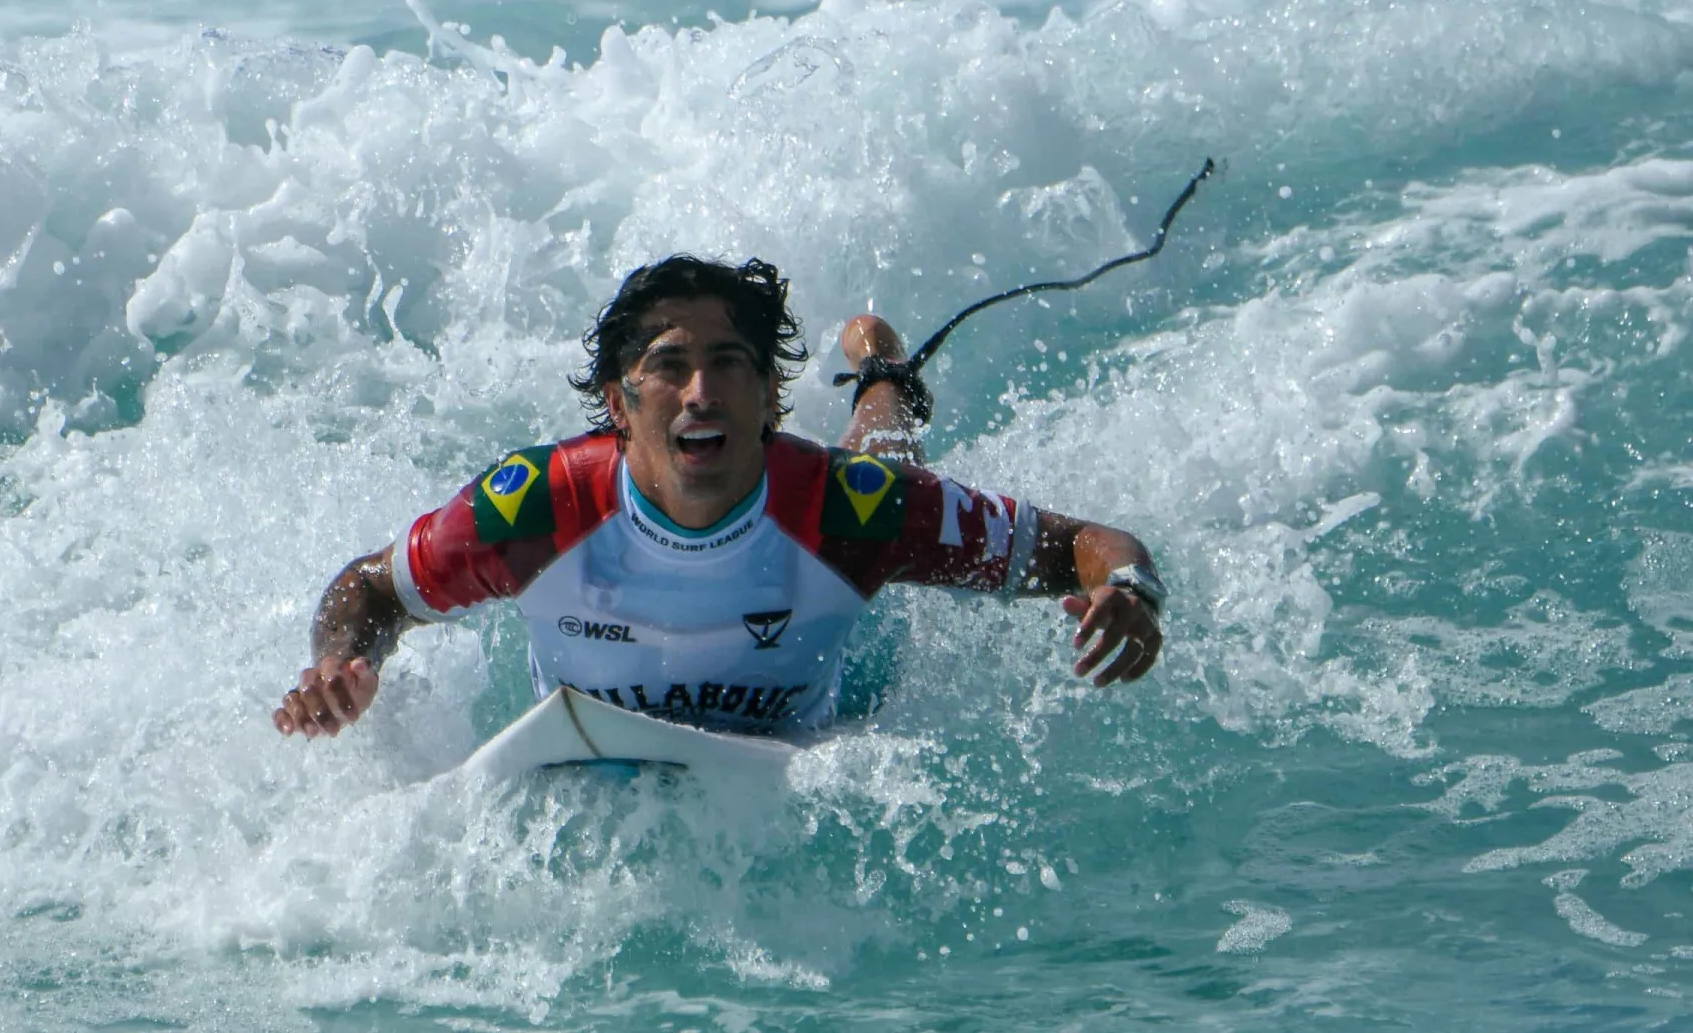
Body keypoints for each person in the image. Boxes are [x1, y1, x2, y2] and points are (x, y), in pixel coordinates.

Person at [274, 256, 1167, 739]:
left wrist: (1127, 593)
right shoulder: (537, 513)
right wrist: (341, 666)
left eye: (729, 364)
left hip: (826, 707)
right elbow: (376, 590)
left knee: (882, 458)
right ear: (619, 406)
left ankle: (880, 370)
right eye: (668, 366)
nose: (701, 392)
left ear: (771, 398)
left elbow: (1088, 541)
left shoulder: (849, 512)